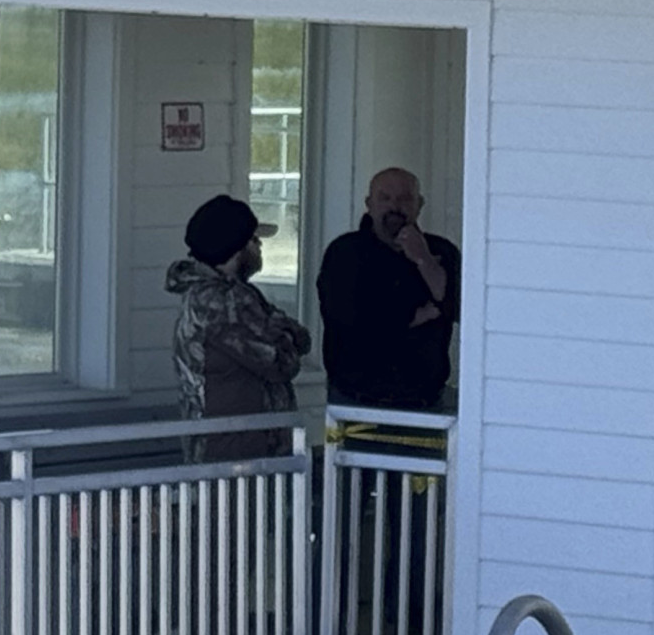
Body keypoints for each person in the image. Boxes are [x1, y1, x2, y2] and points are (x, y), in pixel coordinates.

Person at [166, 193, 307, 460]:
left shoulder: (211, 296)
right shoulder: (223, 303)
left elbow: (302, 337)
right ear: (236, 248)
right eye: (254, 240)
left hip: (234, 445)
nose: (260, 246)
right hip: (237, 453)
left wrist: (283, 330)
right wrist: (284, 332)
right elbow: (280, 362)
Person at [317, 167, 462, 412]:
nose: (395, 206)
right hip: (355, 399)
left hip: (427, 399)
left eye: (405, 199)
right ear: (369, 204)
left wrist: (423, 259)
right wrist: (419, 315)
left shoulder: (442, 251)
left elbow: (458, 308)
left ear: (420, 204)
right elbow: (352, 321)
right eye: (385, 198)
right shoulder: (345, 252)